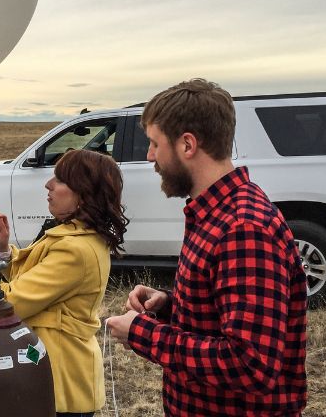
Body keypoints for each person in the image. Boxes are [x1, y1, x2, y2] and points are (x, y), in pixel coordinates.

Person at [104, 79, 308, 416]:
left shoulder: (244, 228)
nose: (150, 156)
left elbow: (249, 365)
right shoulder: (216, 213)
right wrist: (171, 306)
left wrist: (143, 334)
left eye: (155, 144)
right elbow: (226, 315)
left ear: (187, 144)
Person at [0, 149, 128, 417]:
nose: (48, 184)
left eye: (61, 180)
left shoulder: (75, 250)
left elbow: (5, 304)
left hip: (60, 388)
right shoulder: (74, 237)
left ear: (84, 195)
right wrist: (3, 253)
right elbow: (36, 281)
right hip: (51, 380)